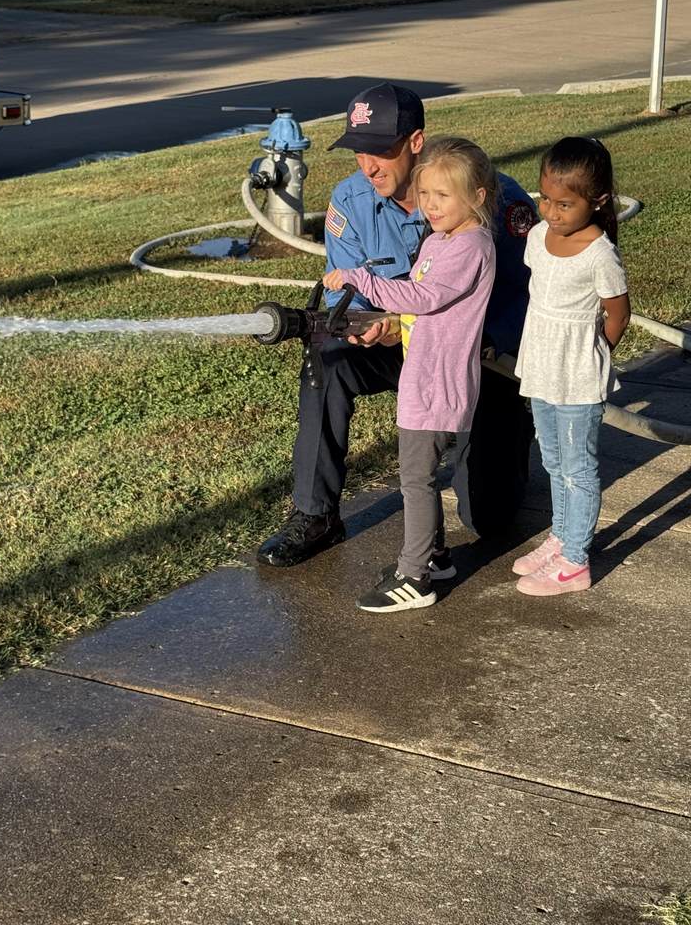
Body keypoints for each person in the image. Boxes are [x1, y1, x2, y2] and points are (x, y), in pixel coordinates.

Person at [257, 81, 537, 569]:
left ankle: (514, 429)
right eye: (357, 152)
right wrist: (367, 323)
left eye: (380, 152)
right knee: (329, 357)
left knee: (491, 520)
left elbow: (528, 293)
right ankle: (315, 513)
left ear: (415, 142)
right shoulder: (349, 203)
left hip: (480, 357)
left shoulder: (490, 197)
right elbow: (351, 297)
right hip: (404, 348)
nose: (368, 166)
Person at [323, 137, 496, 612]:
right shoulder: (438, 242)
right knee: (418, 477)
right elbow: (414, 313)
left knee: (416, 482)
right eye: (426, 194)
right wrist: (384, 324)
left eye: (444, 196)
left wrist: (360, 277)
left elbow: (423, 299)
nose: (431, 205)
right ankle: (435, 556)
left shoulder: (471, 246)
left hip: (438, 388)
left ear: (477, 197)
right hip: (421, 381)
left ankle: (415, 576)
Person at [511, 137, 631, 597]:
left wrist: (596, 353)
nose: (551, 212)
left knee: (577, 467)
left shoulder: (600, 254)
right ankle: (560, 537)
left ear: (597, 201)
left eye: (565, 204)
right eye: (545, 199)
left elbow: (616, 313)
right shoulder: (538, 238)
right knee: (552, 458)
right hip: (541, 367)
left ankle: (576, 560)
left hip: (577, 375)